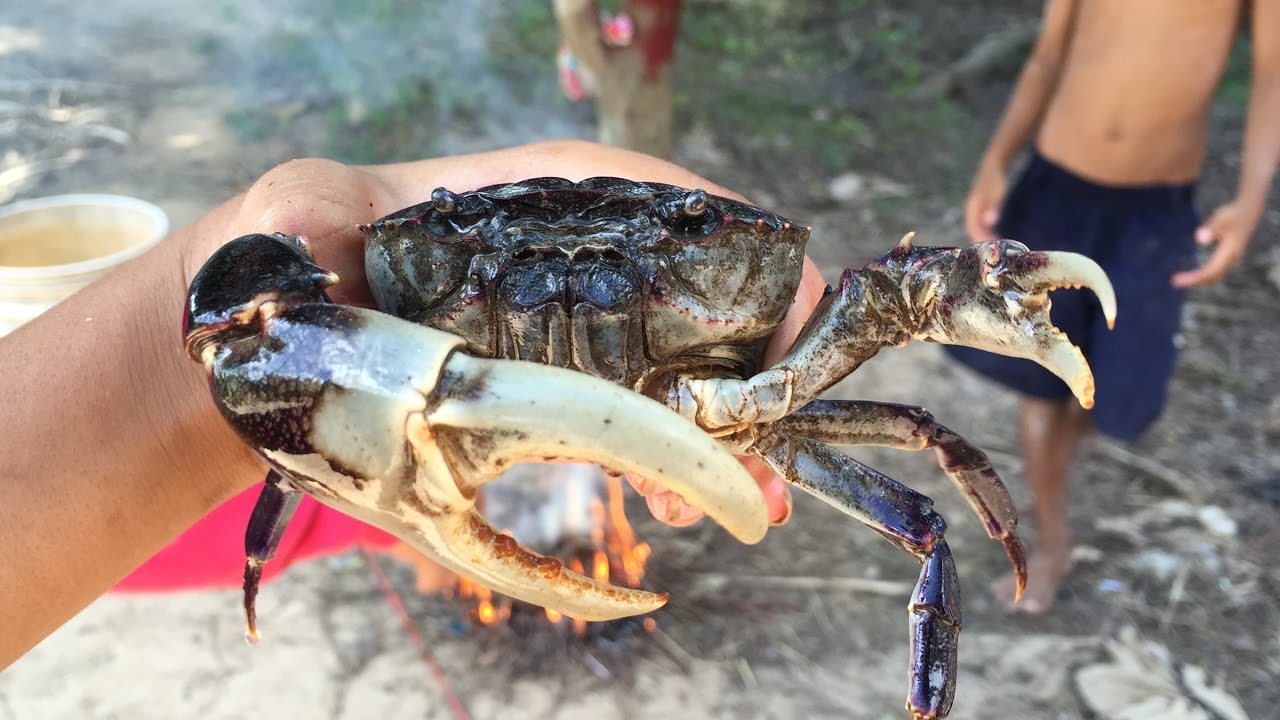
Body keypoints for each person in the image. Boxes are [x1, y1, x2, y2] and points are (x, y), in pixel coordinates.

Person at [0, 140, 824, 668]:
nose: (567, 287)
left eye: (680, 240)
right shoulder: (371, 263)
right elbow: (252, 338)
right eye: (459, 241)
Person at [951, 0, 1279, 614]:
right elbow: (1049, 56)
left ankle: (1059, 463)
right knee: (1041, 379)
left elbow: (1271, 72)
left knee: (1121, 393)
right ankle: (1051, 544)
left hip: (1154, 213)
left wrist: (1250, 200)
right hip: (1056, 192)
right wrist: (995, 162)